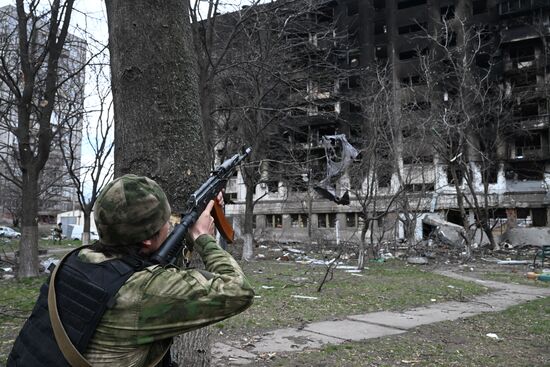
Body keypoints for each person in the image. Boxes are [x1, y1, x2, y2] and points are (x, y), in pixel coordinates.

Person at [8, 174, 255, 367]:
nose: (171, 227)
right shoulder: (143, 293)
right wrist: (203, 237)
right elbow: (239, 290)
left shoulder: (76, 260)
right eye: (166, 223)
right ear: (147, 241)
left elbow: (147, 266)